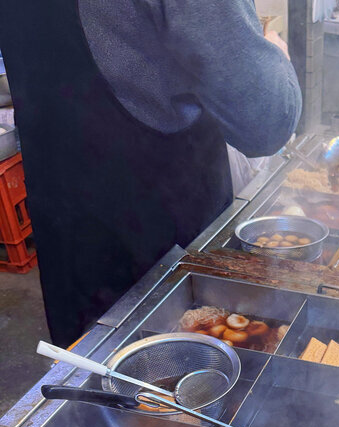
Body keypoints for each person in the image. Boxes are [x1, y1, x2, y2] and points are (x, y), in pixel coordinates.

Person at [0, 0, 302, 347]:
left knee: (93, 376)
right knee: (183, 385)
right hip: (163, 244)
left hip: (65, 230)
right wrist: (275, 56)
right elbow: (264, 120)